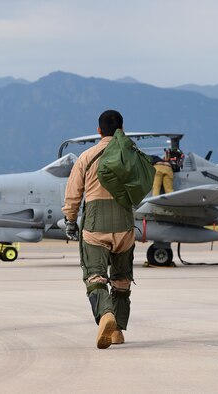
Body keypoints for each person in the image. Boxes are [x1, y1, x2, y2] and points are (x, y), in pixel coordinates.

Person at [62, 109, 136, 349]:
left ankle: (106, 315)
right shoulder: (133, 155)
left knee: (95, 275)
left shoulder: (88, 156)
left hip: (96, 223)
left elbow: (73, 193)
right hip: (125, 222)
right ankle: (118, 331)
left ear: (98, 131)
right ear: (122, 130)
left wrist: (71, 221)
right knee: (122, 278)